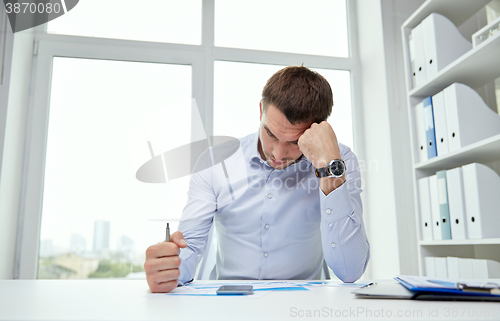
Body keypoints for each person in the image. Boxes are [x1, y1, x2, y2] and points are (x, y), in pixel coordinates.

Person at [144, 66, 370, 293]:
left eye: (294, 141)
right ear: (261, 110)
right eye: (270, 134)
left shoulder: (338, 161)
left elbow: (350, 271)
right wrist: (167, 269)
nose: (278, 154)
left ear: (317, 131)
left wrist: (328, 167)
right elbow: (190, 247)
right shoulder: (217, 161)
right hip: (227, 302)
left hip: (302, 305)